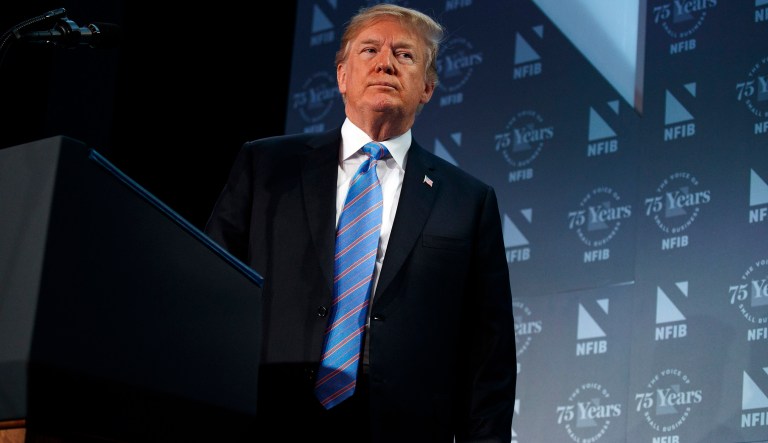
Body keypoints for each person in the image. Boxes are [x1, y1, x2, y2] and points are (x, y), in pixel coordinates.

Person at [204, 3, 516, 442]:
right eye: (369, 50)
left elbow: (490, 353)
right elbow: (208, 285)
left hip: (403, 426)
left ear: (427, 87)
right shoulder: (267, 167)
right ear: (342, 76)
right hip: (269, 410)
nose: (386, 62)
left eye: (405, 55)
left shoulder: (468, 201)